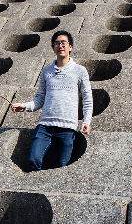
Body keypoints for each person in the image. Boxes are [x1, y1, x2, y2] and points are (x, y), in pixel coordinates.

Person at [10, 30, 92, 171]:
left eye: (64, 43)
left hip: (67, 128)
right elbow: (40, 98)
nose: (60, 46)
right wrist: (25, 106)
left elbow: (87, 98)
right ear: (53, 48)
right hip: (45, 126)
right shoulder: (46, 71)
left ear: (70, 47)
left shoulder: (80, 71)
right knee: (33, 160)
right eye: (57, 43)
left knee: (62, 167)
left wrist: (86, 121)